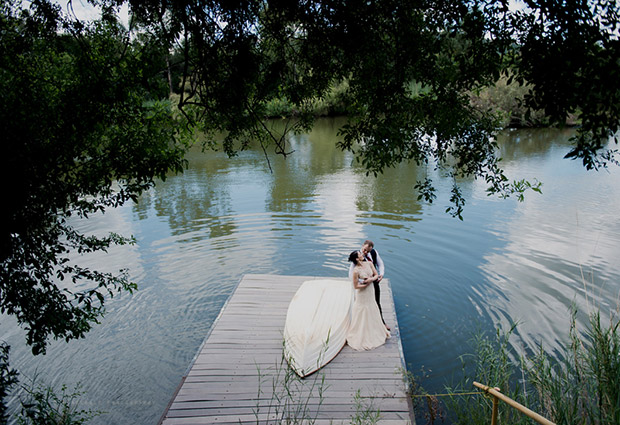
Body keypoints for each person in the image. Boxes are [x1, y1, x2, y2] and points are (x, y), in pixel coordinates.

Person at [346, 250, 390, 350]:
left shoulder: (369, 263)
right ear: (357, 259)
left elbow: (376, 275)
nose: (362, 254)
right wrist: (365, 285)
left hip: (371, 291)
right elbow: (356, 286)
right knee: (362, 310)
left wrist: (371, 280)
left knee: (372, 308)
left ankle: (374, 331)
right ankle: (361, 333)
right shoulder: (356, 271)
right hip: (362, 293)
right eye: (360, 254)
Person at [348, 240, 388, 329]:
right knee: (362, 305)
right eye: (364, 250)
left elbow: (380, 264)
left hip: (374, 282)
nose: (365, 252)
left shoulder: (374, 253)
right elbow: (351, 274)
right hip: (363, 284)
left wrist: (381, 274)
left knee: (376, 302)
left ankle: (381, 322)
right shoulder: (356, 256)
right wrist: (361, 282)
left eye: (368, 251)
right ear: (362, 245)